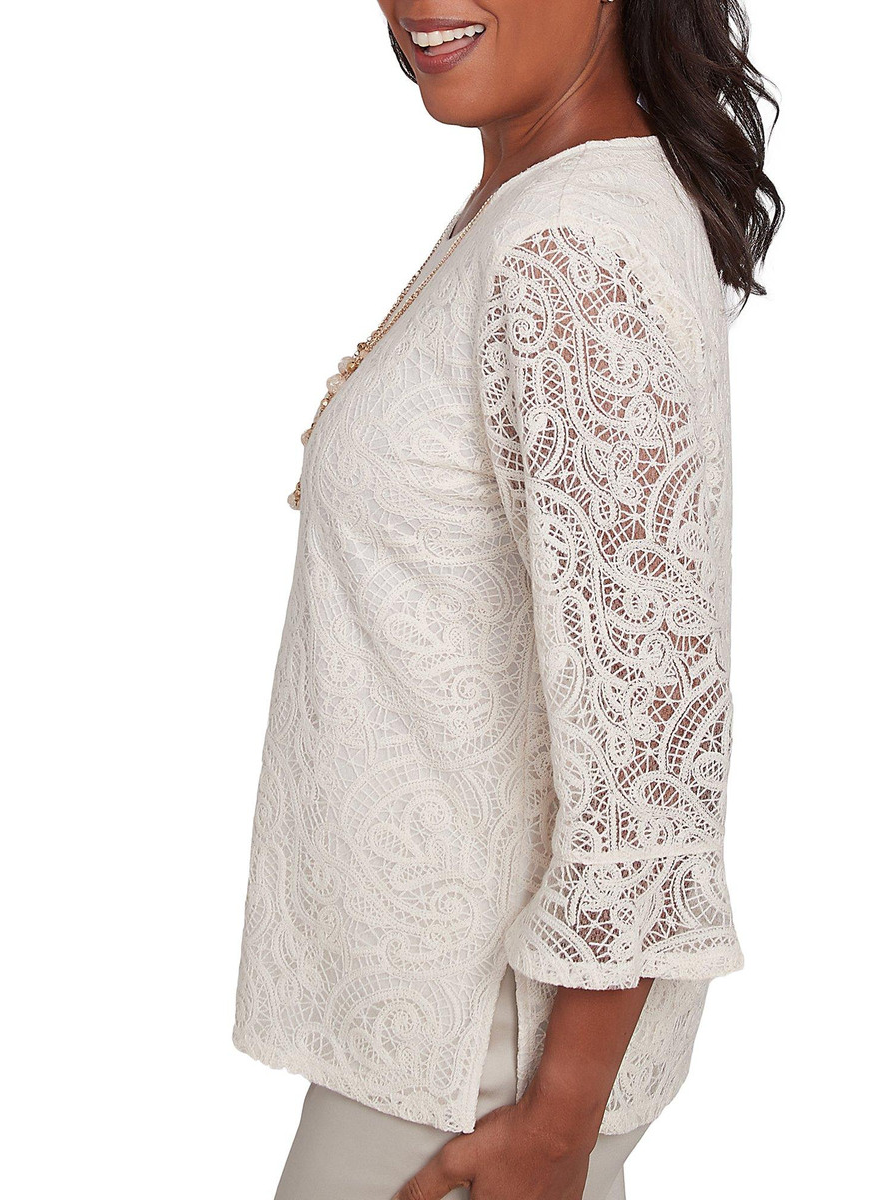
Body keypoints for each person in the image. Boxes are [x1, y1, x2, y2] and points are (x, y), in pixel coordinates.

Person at [233, 2, 782, 1196]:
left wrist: (557, 1123)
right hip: (454, 1046)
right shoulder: (539, 203)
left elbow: (653, 743)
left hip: (474, 1069)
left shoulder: (571, 247)